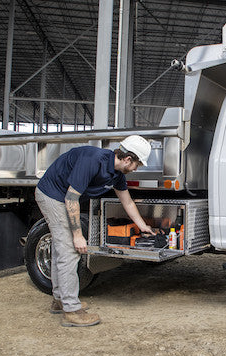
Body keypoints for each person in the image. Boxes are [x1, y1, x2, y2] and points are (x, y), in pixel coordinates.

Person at [34, 135, 155, 327]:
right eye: (137, 165)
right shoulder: (92, 161)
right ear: (128, 159)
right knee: (70, 250)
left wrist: (143, 226)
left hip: (63, 197)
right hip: (52, 195)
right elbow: (71, 199)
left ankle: (60, 300)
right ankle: (71, 310)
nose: (136, 169)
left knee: (61, 249)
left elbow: (127, 202)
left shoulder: (117, 174)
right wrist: (78, 235)